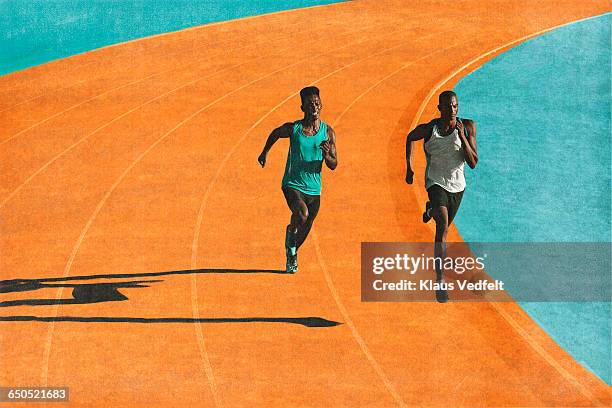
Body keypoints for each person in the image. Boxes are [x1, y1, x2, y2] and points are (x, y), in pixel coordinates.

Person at [405, 90, 478, 302]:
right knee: (442, 228)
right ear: (439, 109)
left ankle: (430, 209)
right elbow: (410, 137)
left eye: (455, 106)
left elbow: (473, 163)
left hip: (458, 187)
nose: (452, 111)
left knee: (440, 218)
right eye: (447, 107)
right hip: (436, 183)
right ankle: (440, 280)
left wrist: (462, 136)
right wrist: (409, 167)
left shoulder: (468, 126)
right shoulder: (430, 130)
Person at [258, 86, 337, 273]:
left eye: (317, 103)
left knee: (305, 227)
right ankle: (292, 248)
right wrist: (264, 152)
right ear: (302, 108)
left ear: (322, 105)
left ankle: (291, 249)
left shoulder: (328, 133)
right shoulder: (294, 129)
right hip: (292, 184)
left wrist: (327, 156)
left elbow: (334, 164)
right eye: (310, 105)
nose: (314, 107)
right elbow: (276, 133)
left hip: (314, 190)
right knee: (302, 214)